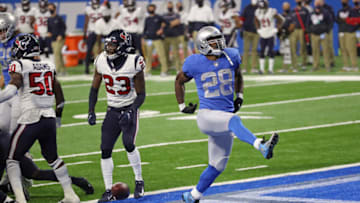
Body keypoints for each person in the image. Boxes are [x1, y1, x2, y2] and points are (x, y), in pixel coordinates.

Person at [175, 26, 279, 203]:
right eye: (213, 41)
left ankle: (193, 196)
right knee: (234, 120)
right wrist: (182, 105)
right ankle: (261, 145)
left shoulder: (231, 55)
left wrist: (239, 96)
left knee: (217, 166)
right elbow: (179, 80)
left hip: (223, 117)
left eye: (219, 39)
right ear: (203, 44)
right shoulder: (194, 62)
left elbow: (237, 75)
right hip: (207, 116)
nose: (219, 43)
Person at [0, 34, 80, 203]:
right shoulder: (48, 65)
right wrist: (58, 118)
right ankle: (70, 195)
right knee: (53, 158)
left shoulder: (19, 64)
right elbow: (59, 93)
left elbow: (10, 91)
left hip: (30, 118)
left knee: (12, 158)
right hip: (49, 117)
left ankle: (20, 199)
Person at [87, 29, 146, 202]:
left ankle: (139, 180)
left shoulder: (134, 61)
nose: (109, 47)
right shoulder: (101, 60)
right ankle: (108, 190)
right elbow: (94, 88)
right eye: (108, 44)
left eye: (113, 44)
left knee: (128, 144)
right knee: (105, 149)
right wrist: (91, 110)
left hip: (129, 107)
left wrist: (131, 111)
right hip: (112, 109)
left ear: (122, 46)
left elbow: (141, 94)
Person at [255, 0, 284, 74]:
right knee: (262, 51)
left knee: (271, 51)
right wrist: (258, 29)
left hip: (271, 34)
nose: (262, 8)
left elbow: (281, 20)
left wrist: (277, 29)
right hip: (263, 34)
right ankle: (261, 69)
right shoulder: (258, 11)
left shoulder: (271, 11)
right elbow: (256, 20)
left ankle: (270, 69)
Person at [143, 4, 168, 77]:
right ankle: (147, 71)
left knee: (161, 55)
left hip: (157, 39)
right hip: (149, 40)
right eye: (149, 8)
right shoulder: (147, 19)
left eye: (152, 8)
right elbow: (145, 29)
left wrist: (161, 29)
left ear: (154, 9)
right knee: (148, 56)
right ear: (148, 9)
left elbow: (166, 23)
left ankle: (164, 71)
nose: (151, 9)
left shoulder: (158, 17)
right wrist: (143, 38)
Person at [307, 0, 332, 71]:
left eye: (319, 3)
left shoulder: (325, 13)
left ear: (321, 4)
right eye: (316, 3)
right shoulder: (311, 13)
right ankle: (315, 66)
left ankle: (327, 66)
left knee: (326, 50)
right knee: (315, 51)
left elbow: (330, 22)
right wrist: (310, 31)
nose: (317, 5)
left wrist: (326, 31)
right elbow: (308, 23)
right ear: (314, 4)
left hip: (323, 34)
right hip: (314, 35)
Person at [238, 0, 259, 73]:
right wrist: (241, 29)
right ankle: (244, 67)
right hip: (247, 31)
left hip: (256, 32)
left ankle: (254, 67)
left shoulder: (259, 8)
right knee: (246, 50)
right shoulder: (247, 8)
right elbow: (242, 19)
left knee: (254, 50)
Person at [289, 0, 309, 71]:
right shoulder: (293, 11)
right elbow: (290, 20)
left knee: (303, 47)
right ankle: (294, 65)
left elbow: (307, 20)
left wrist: (306, 29)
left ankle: (304, 64)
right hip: (294, 30)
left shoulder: (305, 10)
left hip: (302, 30)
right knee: (293, 48)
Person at [163, 1, 183, 73]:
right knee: (166, 53)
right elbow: (162, 24)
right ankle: (167, 69)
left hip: (174, 36)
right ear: (167, 7)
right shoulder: (164, 15)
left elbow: (177, 22)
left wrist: (167, 24)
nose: (169, 7)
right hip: (166, 37)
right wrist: (171, 23)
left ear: (173, 6)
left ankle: (178, 69)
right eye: (168, 6)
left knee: (176, 53)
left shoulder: (176, 14)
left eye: (170, 6)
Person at [47, 3, 66, 76]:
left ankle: (57, 70)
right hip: (53, 39)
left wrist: (61, 35)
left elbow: (63, 27)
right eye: (49, 8)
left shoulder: (59, 18)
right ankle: (63, 70)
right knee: (59, 55)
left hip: (60, 39)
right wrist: (49, 33)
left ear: (54, 9)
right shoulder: (49, 19)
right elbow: (49, 29)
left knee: (56, 54)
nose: (50, 10)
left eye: (51, 8)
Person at [84, 0, 102, 74]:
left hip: (101, 32)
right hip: (92, 32)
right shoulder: (88, 9)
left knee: (100, 50)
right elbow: (86, 21)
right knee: (88, 51)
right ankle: (86, 68)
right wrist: (84, 34)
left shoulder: (102, 9)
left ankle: (101, 68)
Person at [278, 2, 295, 73]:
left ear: (289, 7)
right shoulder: (281, 15)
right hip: (283, 35)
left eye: (287, 6)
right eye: (284, 7)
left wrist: (288, 32)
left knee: (291, 51)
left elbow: (293, 24)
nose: (285, 8)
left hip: (290, 34)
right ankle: (285, 67)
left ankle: (294, 66)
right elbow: (278, 25)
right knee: (283, 52)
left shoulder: (292, 14)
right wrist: (279, 32)